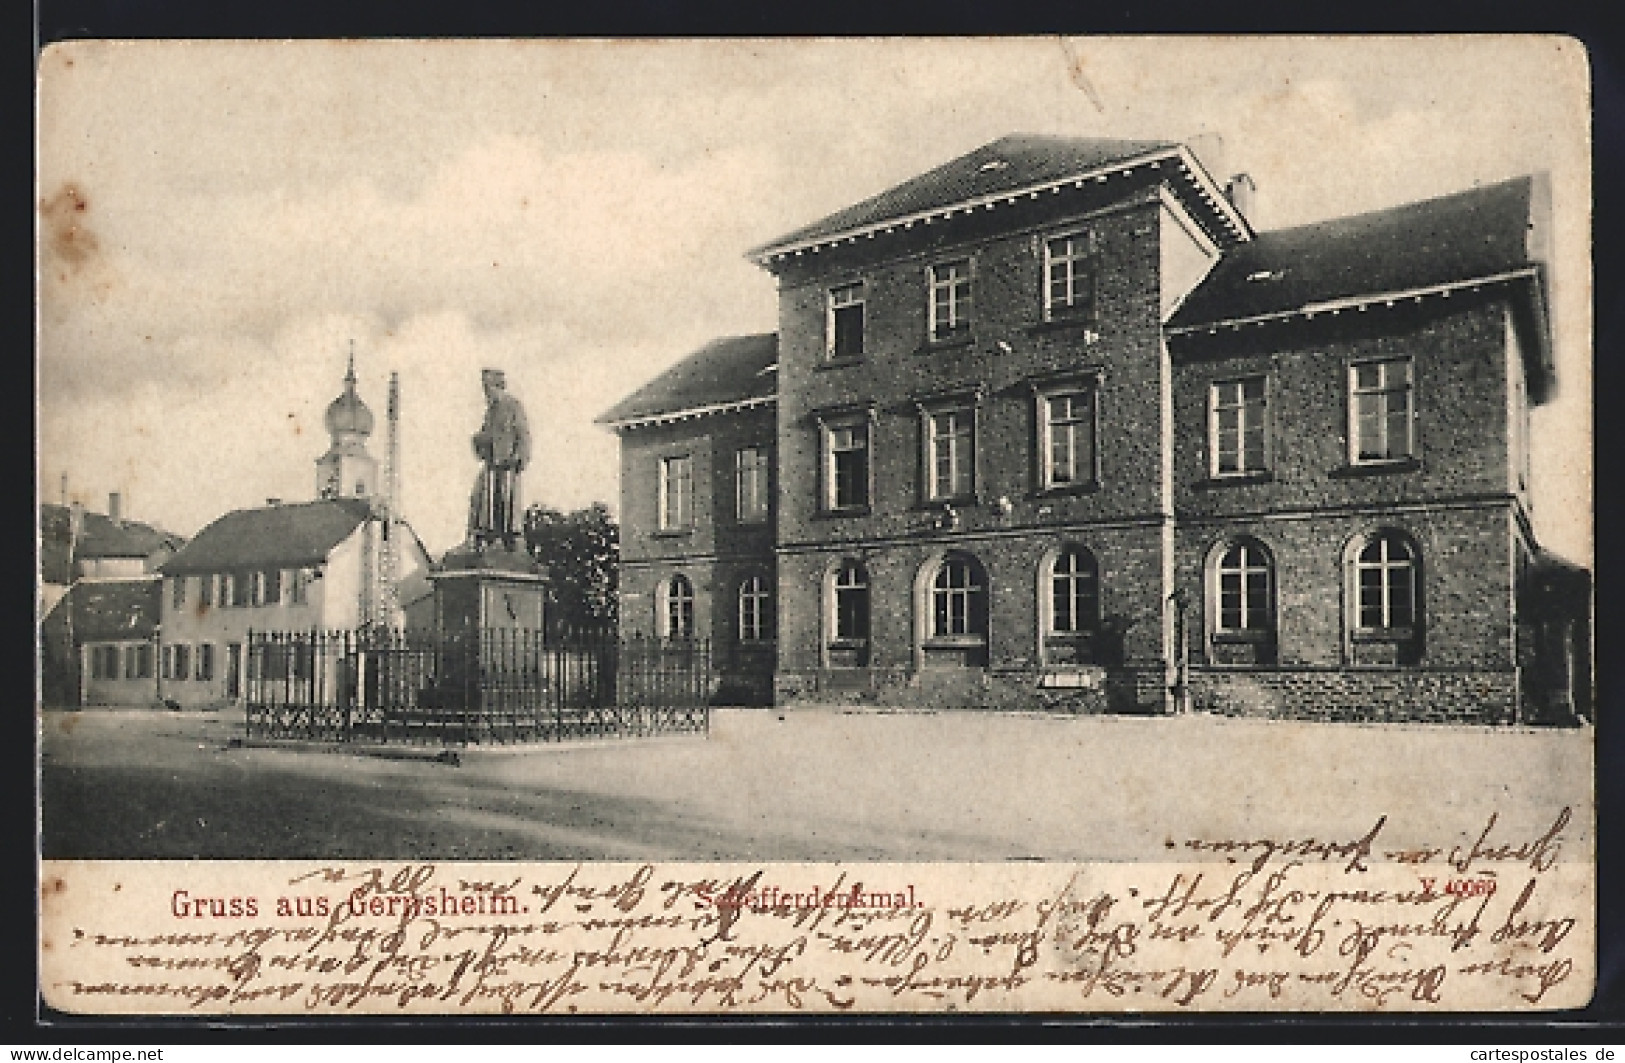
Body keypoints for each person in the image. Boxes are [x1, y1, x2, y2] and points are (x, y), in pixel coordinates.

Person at [468, 368, 531, 551]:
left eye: (488, 388)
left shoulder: (513, 406)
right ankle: (489, 536)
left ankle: (508, 539)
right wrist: (478, 440)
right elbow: (486, 434)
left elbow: (524, 434)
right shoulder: (490, 412)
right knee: (482, 499)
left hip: (508, 464)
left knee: (506, 502)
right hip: (492, 464)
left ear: (498, 386)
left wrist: (519, 457)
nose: (486, 393)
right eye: (485, 389)